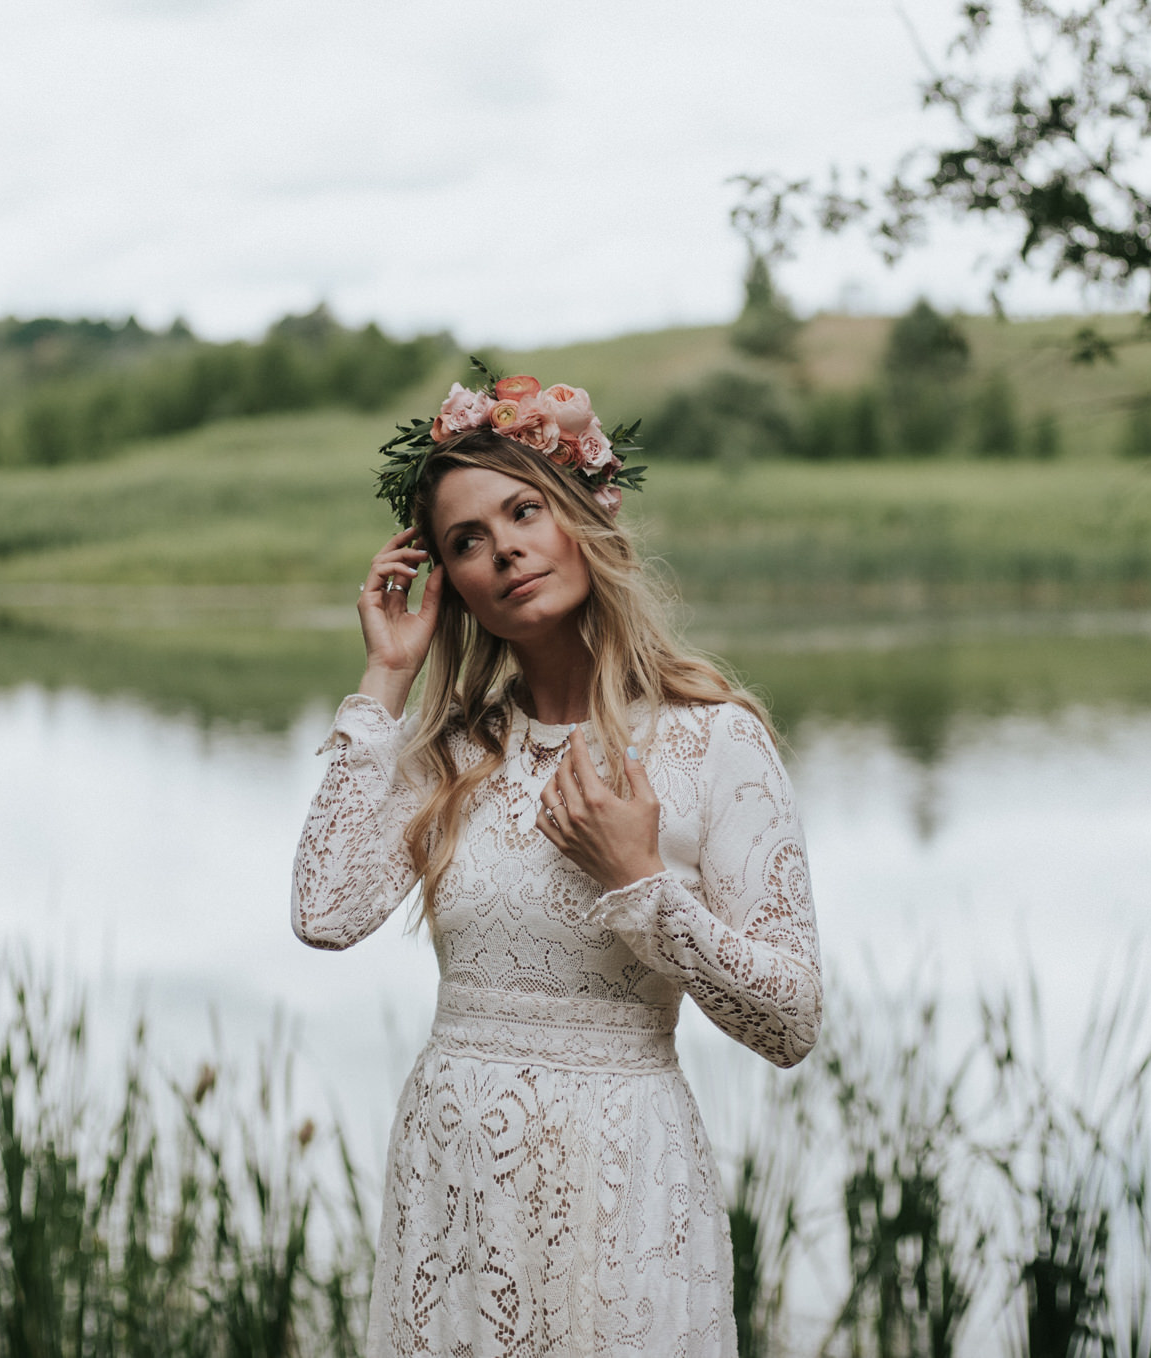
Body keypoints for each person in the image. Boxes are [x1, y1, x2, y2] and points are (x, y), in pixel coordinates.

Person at [290, 372, 822, 1357]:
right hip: (454, 1176)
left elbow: (791, 1021)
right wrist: (384, 679)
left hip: (622, 1176)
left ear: (581, 512)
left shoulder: (714, 741)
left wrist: (643, 884)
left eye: (523, 509)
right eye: (466, 541)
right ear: (453, 584)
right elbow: (324, 910)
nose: (504, 550)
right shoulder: (454, 752)